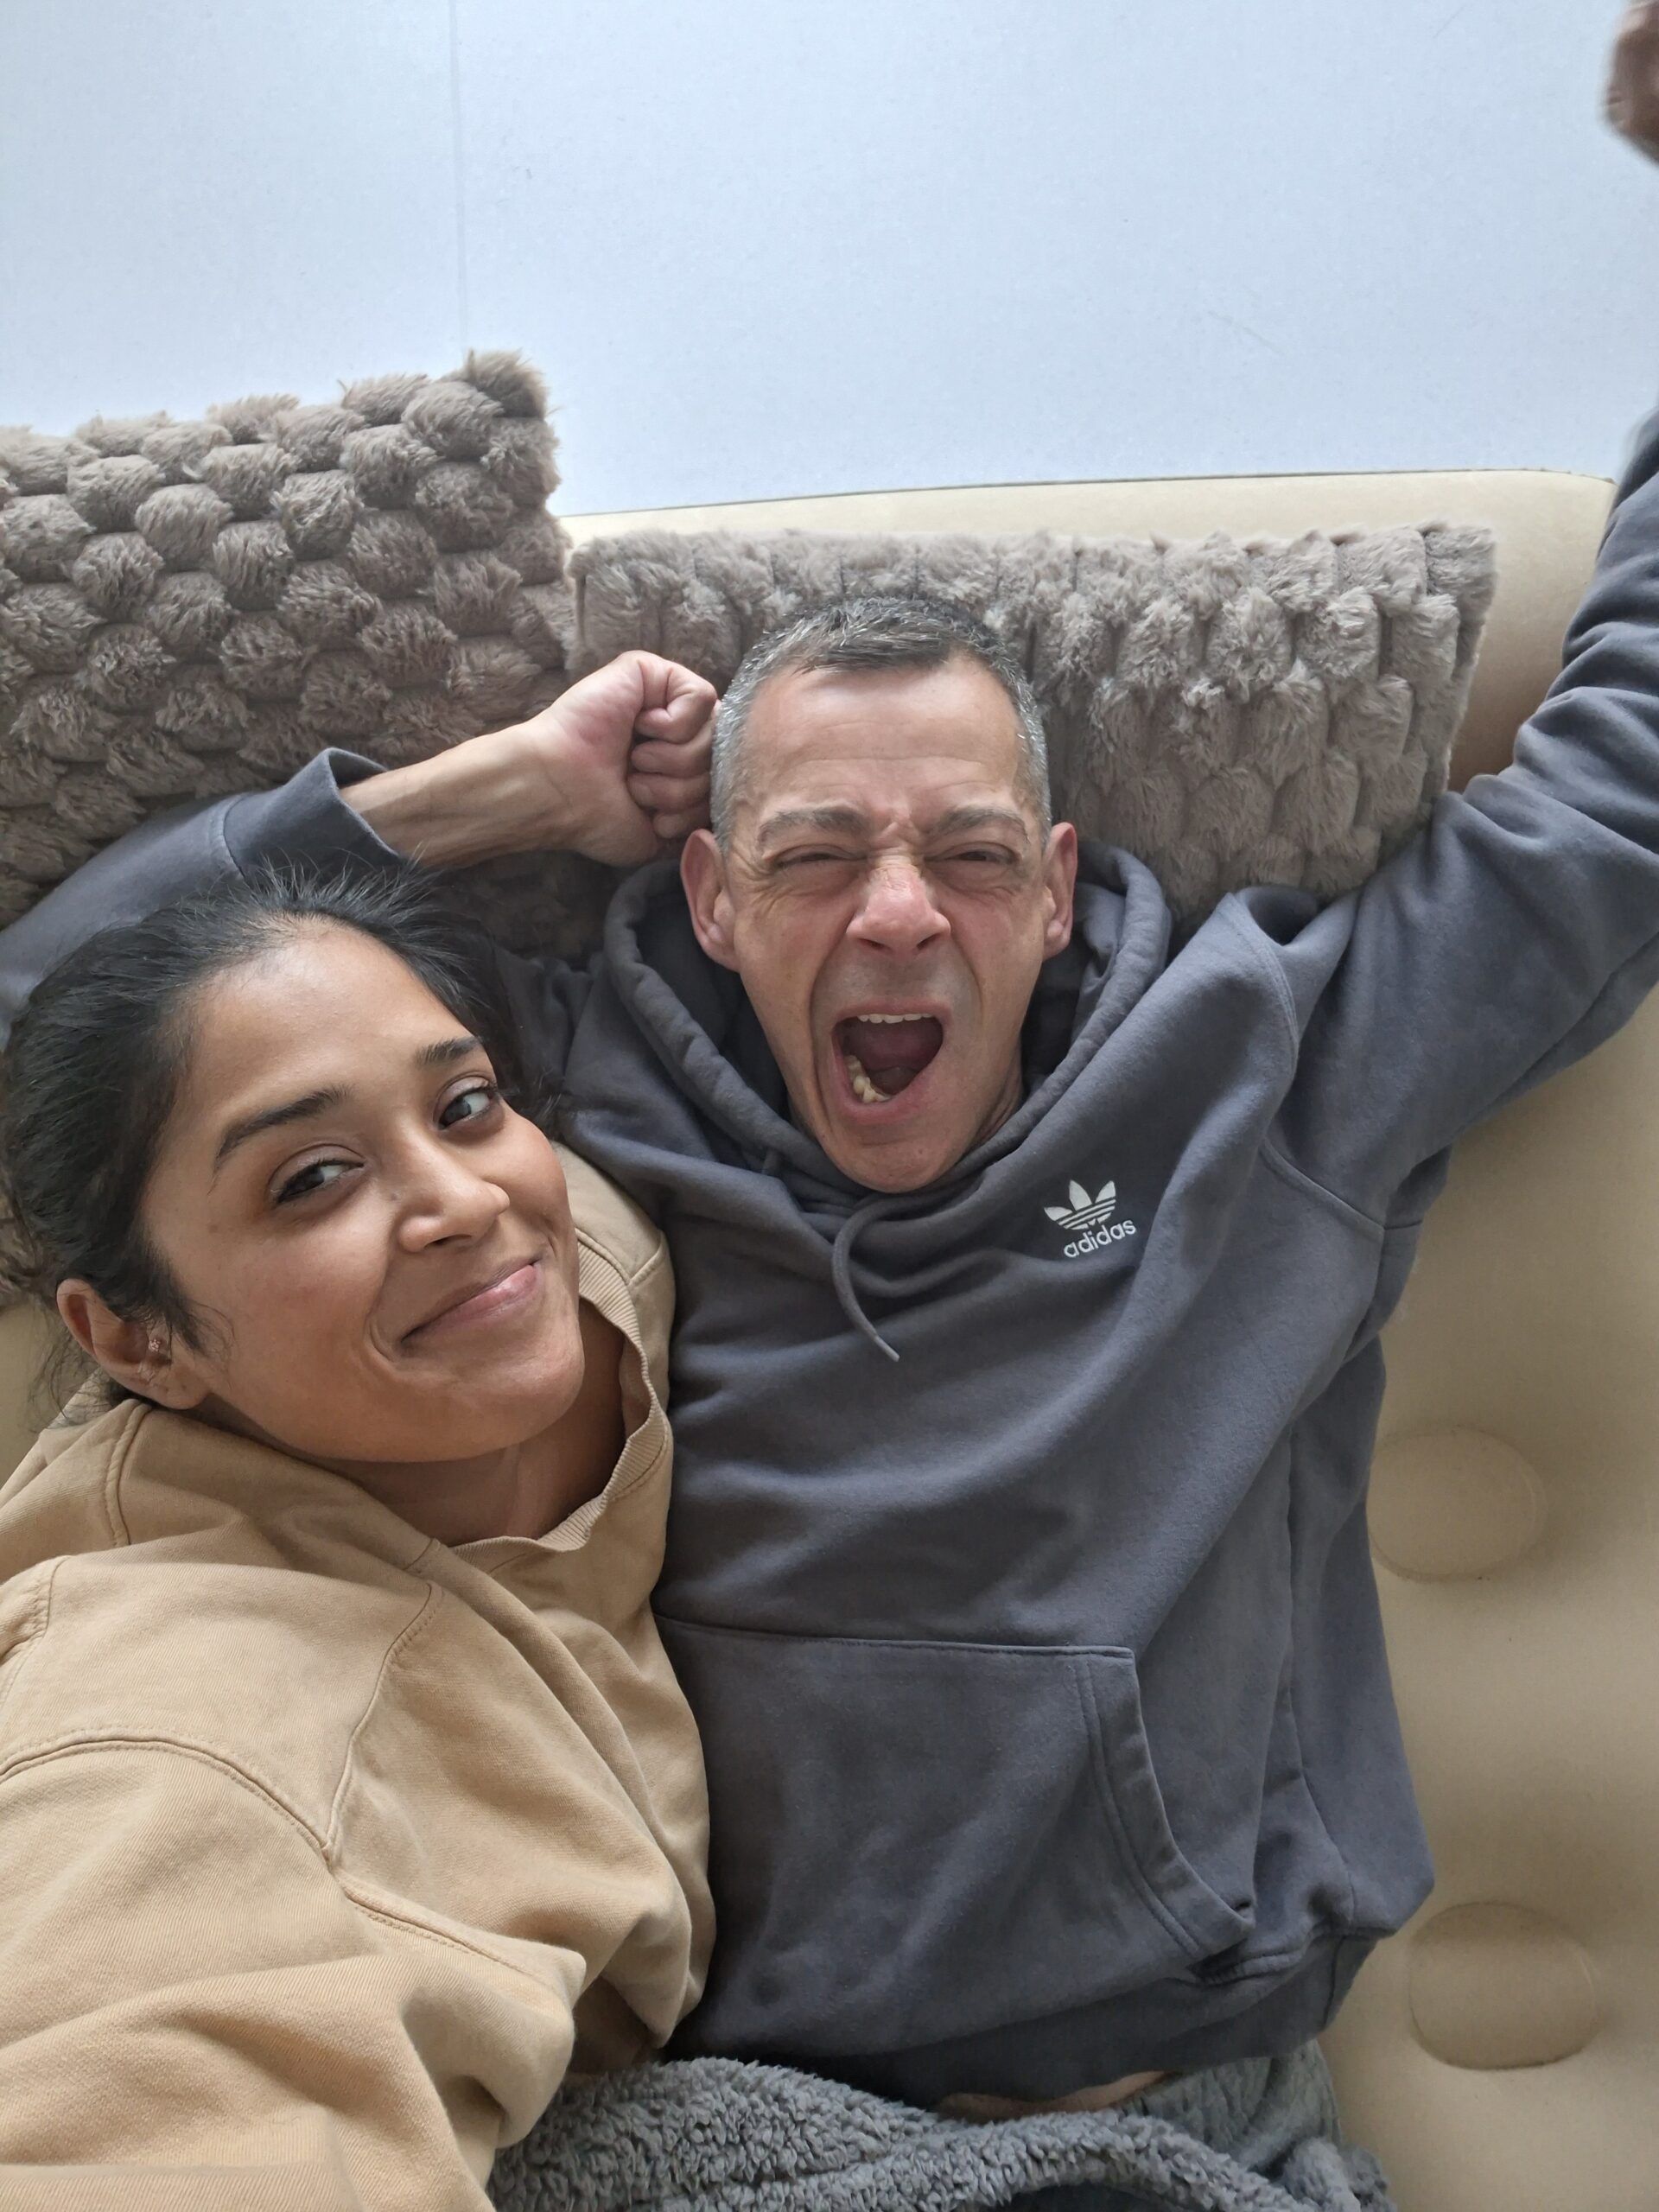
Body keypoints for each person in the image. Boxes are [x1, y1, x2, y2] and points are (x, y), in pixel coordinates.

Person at [8, 14, 1659, 2192]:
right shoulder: (535, 1106)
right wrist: (500, 791)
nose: (895, 913)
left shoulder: (1279, 1059)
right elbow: (72, 1026)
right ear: (710, 892)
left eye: (968, 854)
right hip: (715, 2119)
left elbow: (1623, 792)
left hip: (1175, 2110)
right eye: (813, 857)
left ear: (1054, 889)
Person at [0, 866, 713, 2208]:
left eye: (464, 1104)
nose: (464, 1201)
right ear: (136, 1342)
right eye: (314, 1180)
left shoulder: (588, 1244)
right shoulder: (179, 1726)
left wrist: (508, 795)